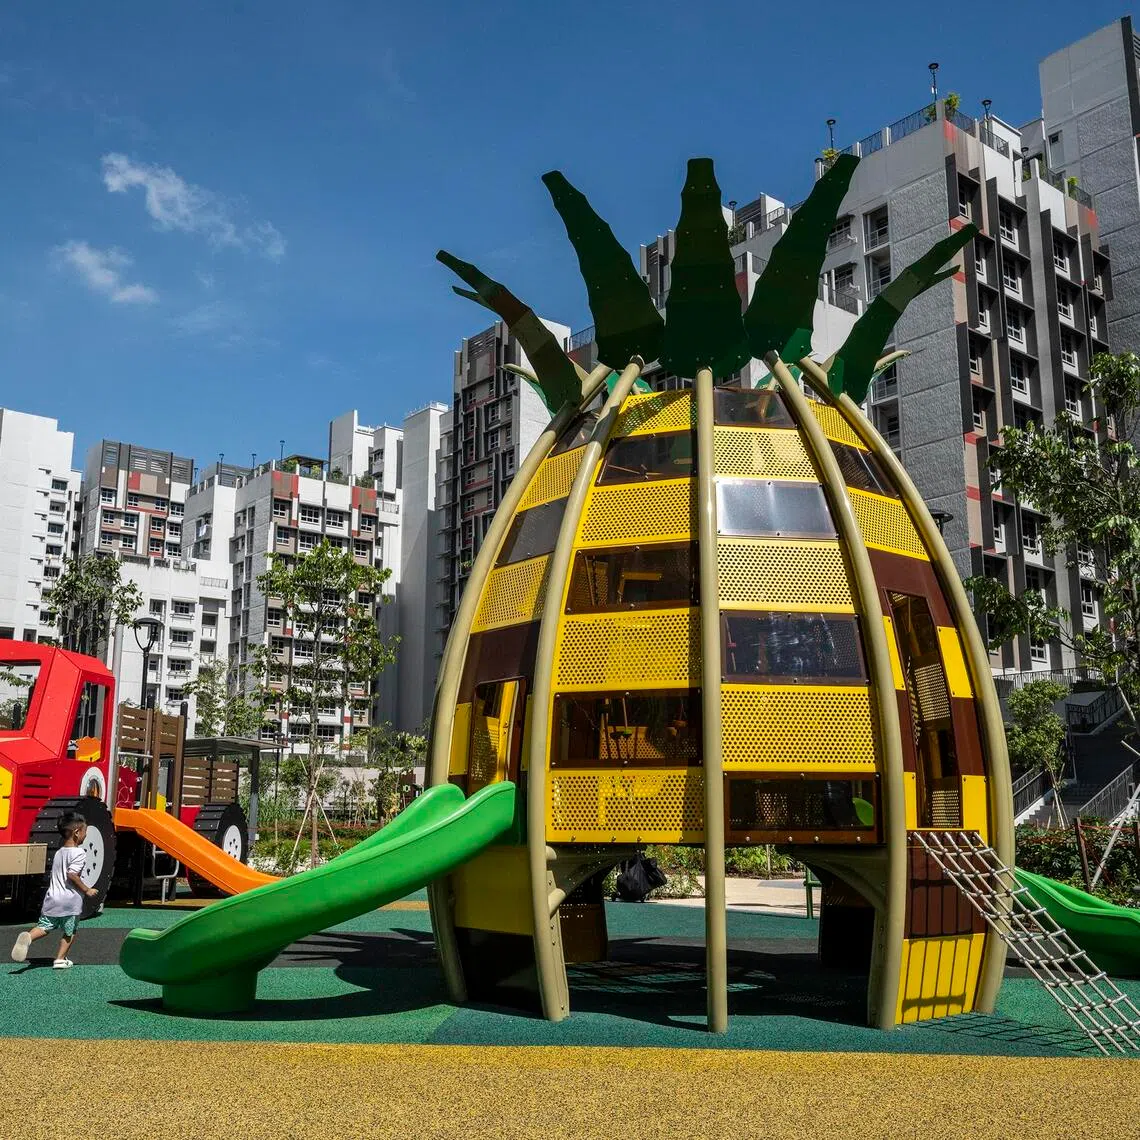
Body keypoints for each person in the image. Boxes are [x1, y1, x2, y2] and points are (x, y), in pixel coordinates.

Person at [10, 811, 98, 969]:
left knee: (44, 926)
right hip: (70, 900)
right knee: (70, 931)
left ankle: (29, 937)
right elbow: (72, 874)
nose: (85, 835)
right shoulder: (79, 853)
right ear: (77, 832)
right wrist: (87, 890)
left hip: (52, 898)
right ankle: (60, 959)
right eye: (85, 831)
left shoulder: (59, 852)